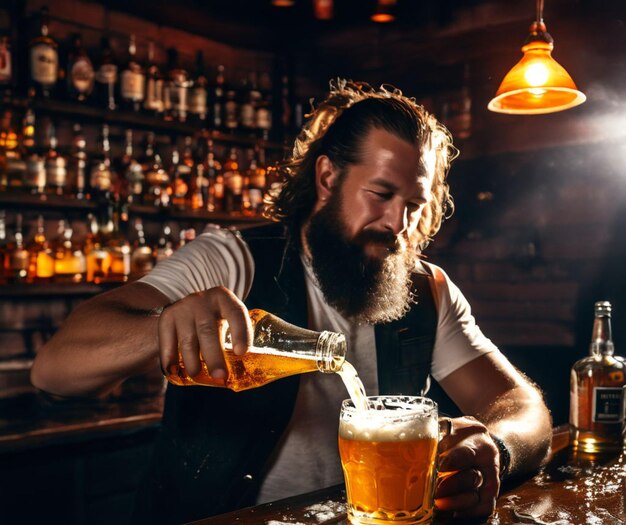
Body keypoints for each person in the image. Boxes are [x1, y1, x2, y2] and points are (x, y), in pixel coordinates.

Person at [31, 79, 552, 524]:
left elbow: (525, 410)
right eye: (381, 194)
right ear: (327, 177)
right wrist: (165, 325)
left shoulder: (427, 289)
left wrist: (498, 451)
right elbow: (54, 369)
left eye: (414, 205)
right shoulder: (231, 262)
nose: (398, 224)